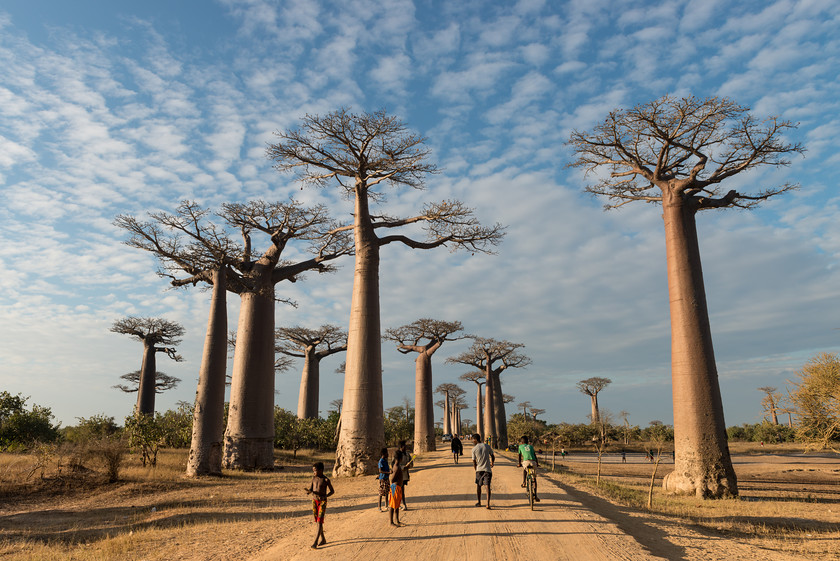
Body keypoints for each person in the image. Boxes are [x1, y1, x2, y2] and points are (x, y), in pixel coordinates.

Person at [305, 461, 335, 549]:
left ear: (321, 470)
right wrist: (308, 491)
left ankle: (315, 542)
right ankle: (323, 539)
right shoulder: (313, 478)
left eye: (315, 471)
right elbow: (311, 489)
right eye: (313, 471)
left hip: (322, 502)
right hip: (314, 501)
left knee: (319, 521)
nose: (314, 472)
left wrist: (326, 496)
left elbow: (332, 491)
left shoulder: (326, 480)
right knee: (318, 521)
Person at [471, 433, 495, 509]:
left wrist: (476, 469)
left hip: (479, 470)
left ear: (475, 439)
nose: (472, 441)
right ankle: (488, 504)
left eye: (473, 439)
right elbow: (492, 455)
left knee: (478, 486)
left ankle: (479, 502)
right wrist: (492, 462)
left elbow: (474, 461)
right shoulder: (487, 446)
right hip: (487, 469)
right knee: (487, 486)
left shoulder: (474, 449)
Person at [517, 435, 540, 502]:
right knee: (534, 479)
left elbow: (519, 455)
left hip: (526, 462)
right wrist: (537, 463)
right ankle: (535, 495)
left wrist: (519, 464)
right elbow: (535, 456)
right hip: (533, 462)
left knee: (525, 470)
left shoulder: (520, 446)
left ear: (521, 442)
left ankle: (524, 482)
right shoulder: (531, 446)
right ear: (527, 442)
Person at [389, 450, 405, 526]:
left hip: (398, 487)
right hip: (395, 487)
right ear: (400, 458)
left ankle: (397, 521)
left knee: (397, 505)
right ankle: (391, 522)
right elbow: (392, 479)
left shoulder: (398, 466)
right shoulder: (396, 467)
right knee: (392, 505)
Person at [397, 440, 414, 510]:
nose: (406, 447)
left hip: (405, 475)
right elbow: (393, 465)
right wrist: (403, 467)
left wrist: (409, 465)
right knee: (400, 491)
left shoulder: (407, 454)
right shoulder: (397, 454)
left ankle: (401, 504)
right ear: (401, 447)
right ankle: (401, 504)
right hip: (398, 475)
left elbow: (412, 464)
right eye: (404, 446)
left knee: (402, 490)